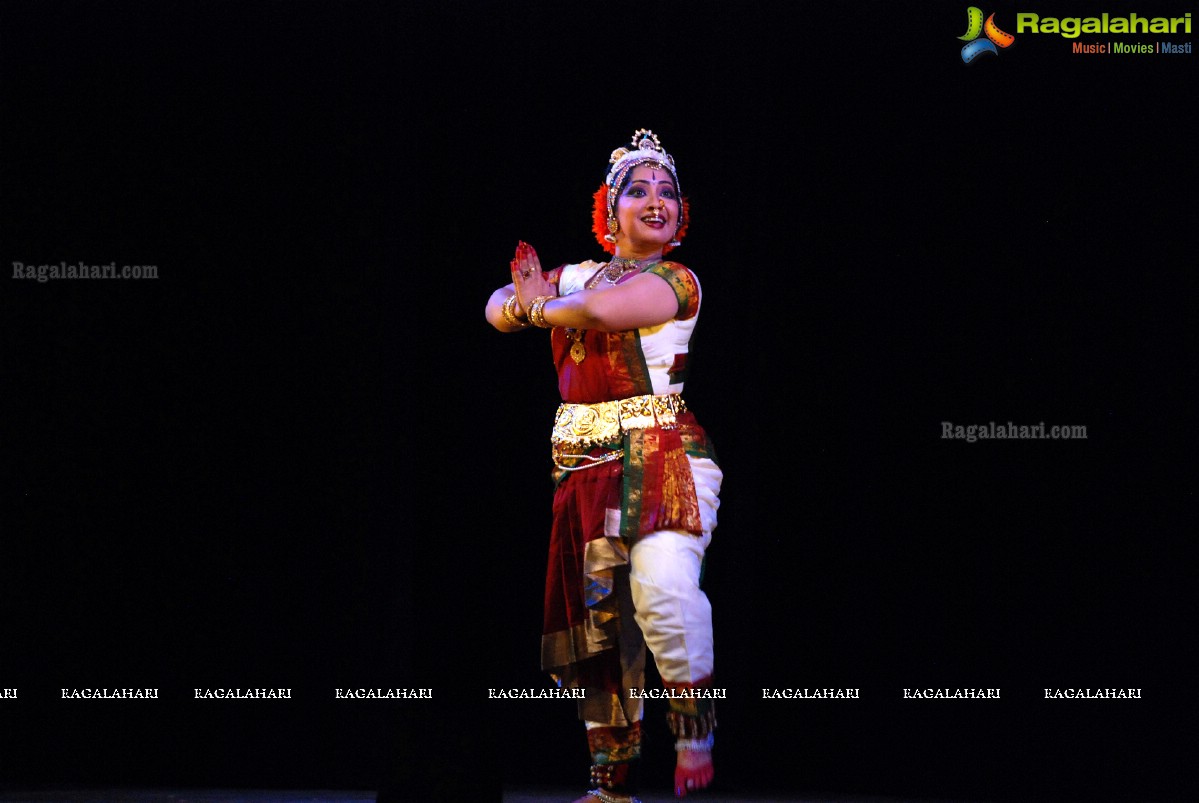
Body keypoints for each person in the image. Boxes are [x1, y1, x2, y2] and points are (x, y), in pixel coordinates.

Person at [486, 129, 722, 803]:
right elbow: (494, 309)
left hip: (666, 458)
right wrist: (519, 304)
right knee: (599, 628)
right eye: (639, 190)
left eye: (668, 191)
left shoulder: (675, 280)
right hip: (584, 465)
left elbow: (601, 312)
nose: (657, 200)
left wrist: (531, 305)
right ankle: (609, 783)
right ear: (609, 210)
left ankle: (693, 728)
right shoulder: (574, 276)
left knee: (661, 593)